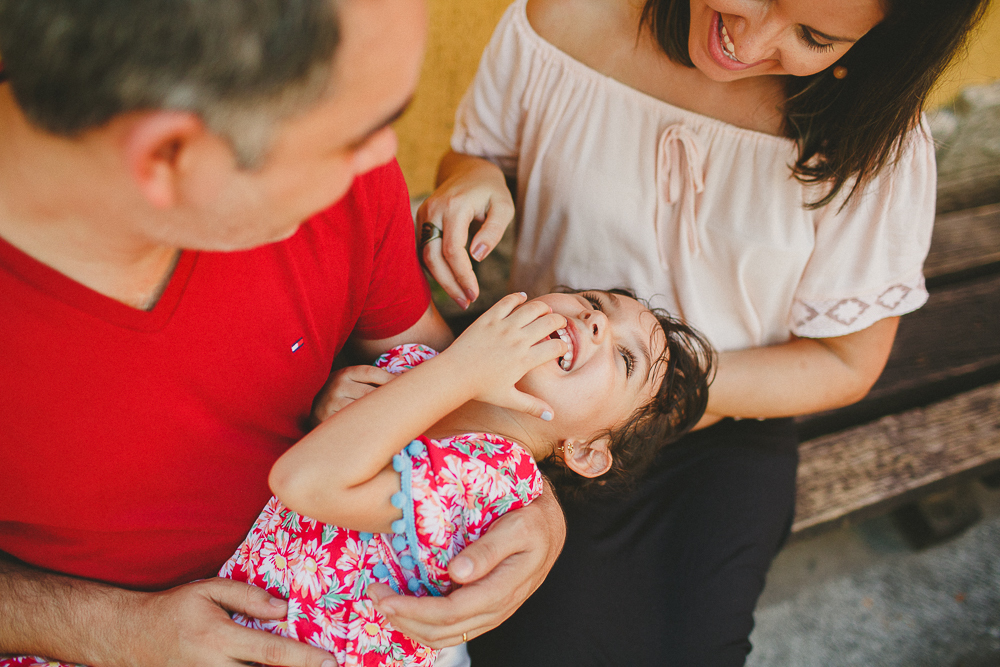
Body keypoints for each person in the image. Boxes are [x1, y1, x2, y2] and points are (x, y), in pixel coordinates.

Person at [415, 0, 992, 664]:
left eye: (814, 36)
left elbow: (846, 361)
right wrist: (472, 181)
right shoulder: (562, 18)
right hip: (537, 416)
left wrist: (656, 392)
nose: (751, 40)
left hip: (725, 429)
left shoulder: (872, 136)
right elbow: (474, 155)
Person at [0, 1, 566, 666]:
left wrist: (540, 509)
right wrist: (107, 628)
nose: (385, 160)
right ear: (168, 156)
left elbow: (438, 374)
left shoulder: (348, 179)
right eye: (351, 137)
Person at [214, 288, 711, 667]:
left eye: (626, 360)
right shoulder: (423, 366)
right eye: (591, 301)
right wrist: (333, 406)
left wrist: (463, 368)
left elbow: (306, 483)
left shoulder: (488, 481)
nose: (596, 320)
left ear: (583, 452)